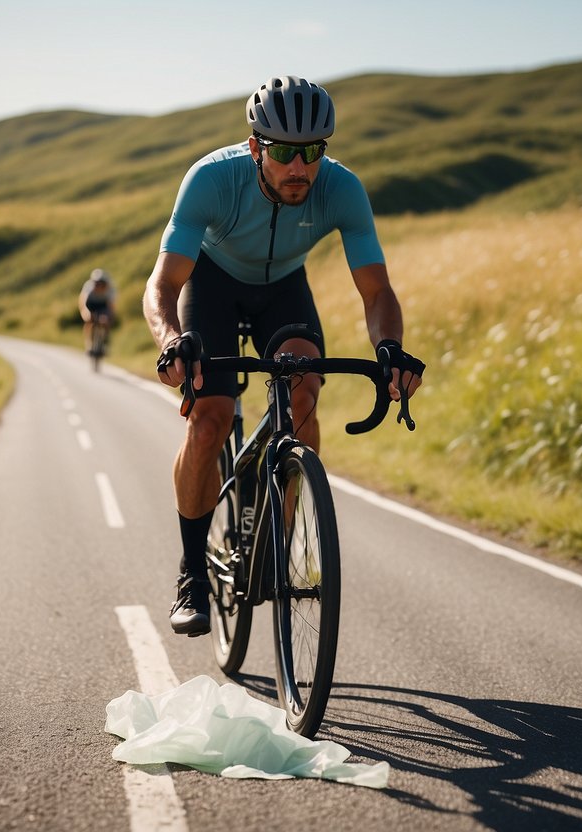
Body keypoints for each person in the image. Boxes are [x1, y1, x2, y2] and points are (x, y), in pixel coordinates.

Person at [143, 75, 424, 636]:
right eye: (284, 152)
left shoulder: (340, 189)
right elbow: (162, 286)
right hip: (213, 283)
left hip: (282, 289)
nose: (300, 167)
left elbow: (376, 291)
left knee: (303, 392)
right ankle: (192, 573)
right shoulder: (211, 180)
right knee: (209, 421)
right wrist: (172, 342)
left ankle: (282, 528)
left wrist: (388, 349)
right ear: (255, 148)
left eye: (313, 151)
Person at [79, 268, 117, 353]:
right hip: (90, 304)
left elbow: (111, 307)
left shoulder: (111, 289)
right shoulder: (88, 286)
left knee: (105, 321)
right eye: (96, 284)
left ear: (106, 284)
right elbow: (82, 301)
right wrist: (85, 313)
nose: (99, 286)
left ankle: (105, 341)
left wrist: (109, 317)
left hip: (103, 305)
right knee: (88, 321)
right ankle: (89, 343)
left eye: (101, 284)